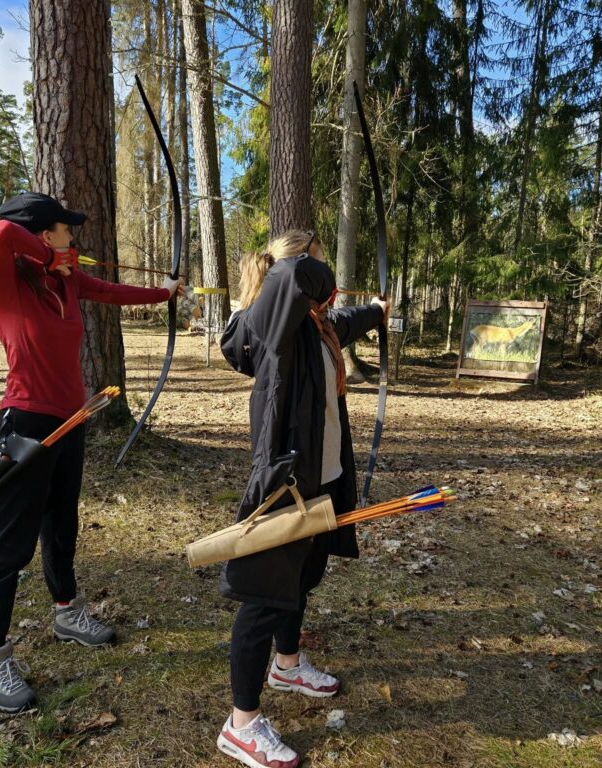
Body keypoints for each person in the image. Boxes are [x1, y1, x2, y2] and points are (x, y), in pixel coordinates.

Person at [0, 192, 184, 712]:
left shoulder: (67, 279)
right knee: (11, 543)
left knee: (62, 523)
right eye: (66, 228)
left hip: (72, 420)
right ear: (44, 234)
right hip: (26, 422)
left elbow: (112, 291)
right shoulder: (3, 277)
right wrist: (48, 257)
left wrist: (165, 292)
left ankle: (67, 611)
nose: (74, 237)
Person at [216, 229, 389, 768]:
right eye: (317, 267)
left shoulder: (310, 324)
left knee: (301, 579)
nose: (324, 282)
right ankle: (240, 724)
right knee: (265, 594)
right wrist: (309, 270)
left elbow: (339, 320)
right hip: (285, 482)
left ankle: (286, 664)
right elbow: (291, 281)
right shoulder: (270, 321)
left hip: (323, 475)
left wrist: (376, 310)